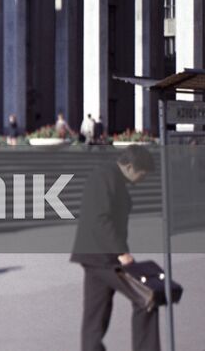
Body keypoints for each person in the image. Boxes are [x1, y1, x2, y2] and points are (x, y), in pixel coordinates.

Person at [70, 146, 159, 351]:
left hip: (97, 256)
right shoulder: (105, 177)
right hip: (104, 257)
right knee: (147, 297)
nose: (142, 179)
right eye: (142, 174)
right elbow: (100, 219)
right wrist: (122, 253)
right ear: (129, 166)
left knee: (96, 315)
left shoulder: (112, 177)